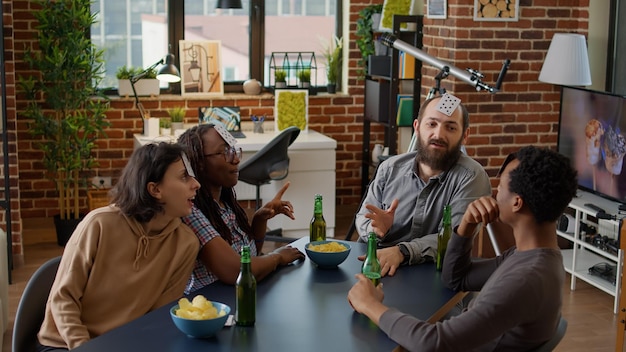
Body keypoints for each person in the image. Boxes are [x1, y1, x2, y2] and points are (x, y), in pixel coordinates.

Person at [347, 146, 578, 351]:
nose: (495, 193)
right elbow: (456, 279)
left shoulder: (525, 278)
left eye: (502, 186)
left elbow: (433, 342)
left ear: (517, 202)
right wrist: (464, 227)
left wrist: (370, 305)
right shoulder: (533, 257)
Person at [37, 142, 201, 351]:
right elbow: (63, 298)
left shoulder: (186, 243)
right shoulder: (99, 224)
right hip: (66, 344)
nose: (196, 184)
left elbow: (158, 318)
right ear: (155, 189)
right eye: (184, 177)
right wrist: (85, 347)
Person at [355, 94, 492, 276]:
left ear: (464, 135)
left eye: (450, 127)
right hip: (376, 269)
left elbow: (454, 237)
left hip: (435, 277)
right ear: (417, 127)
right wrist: (379, 230)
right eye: (431, 124)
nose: (438, 134)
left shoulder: (472, 176)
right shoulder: (389, 168)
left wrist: (402, 251)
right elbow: (363, 218)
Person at [178, 124, 304, 293]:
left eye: (234, 151)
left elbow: (250, 257)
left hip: (239, 295)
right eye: (225, 153)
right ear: (199, 162)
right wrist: (277, 257)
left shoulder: (225, 202)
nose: (236, 159)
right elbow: (236, 270)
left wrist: (260, 219)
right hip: (213, 305)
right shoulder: (191, 210)